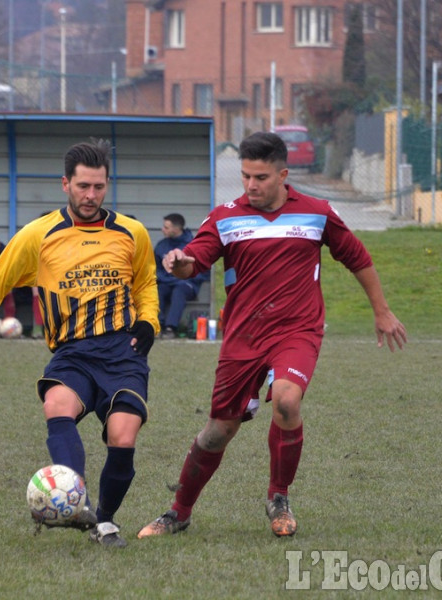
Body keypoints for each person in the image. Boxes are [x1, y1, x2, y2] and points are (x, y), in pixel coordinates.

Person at [137, 132, 407, 540]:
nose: (251, 185)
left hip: (297, 330)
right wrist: (179, 264)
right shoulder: (226, 216)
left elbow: (356, 257)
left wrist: (382, 310)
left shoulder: (317, 212)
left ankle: (278, 497)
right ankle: (179, 511)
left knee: (286, 400)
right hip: (243, 336)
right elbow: (197, 259)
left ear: (283, 175)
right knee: (218, 431)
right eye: (245, 176)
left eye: (260, 177)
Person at [0, 140, 159, 549]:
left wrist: (149, 321)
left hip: (121, 352)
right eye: (82, 186)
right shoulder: (38, 235)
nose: (90, 195)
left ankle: (106, 521)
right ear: (65, 184)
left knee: (123, 437)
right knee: (56, 405)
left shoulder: (133, 232)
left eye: (98, 187)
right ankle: (78, 505)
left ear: (107, 185)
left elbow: (145, 281)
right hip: (72, 352)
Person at [154, 213, 210, 338]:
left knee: (179, 291)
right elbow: (156, 269)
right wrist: (166, 279)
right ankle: (157, 326)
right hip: (166, 283)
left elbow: (203, 271)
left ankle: (170, 328)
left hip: (187, 284)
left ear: (176, 229)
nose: (163, 230)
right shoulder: (161, 246)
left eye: (166, 227)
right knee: (159, 290)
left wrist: (185, 278)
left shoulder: (193, 245)